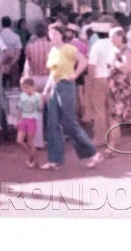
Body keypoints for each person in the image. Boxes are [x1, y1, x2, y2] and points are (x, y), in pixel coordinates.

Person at [40, 25, 103, 170]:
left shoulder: (69, 48)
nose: (53, 36)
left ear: (61, 35)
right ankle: (55, 159)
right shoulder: (52, 51)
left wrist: (74, 75)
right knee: (52, 123)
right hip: (55, 87)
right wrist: (46, 90)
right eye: (51, 33)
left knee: (69, 122)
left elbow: (83, 61)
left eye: (55, 33)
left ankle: (93, 153)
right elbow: (52, 73)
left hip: (66, 86)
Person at [104, 27, 131, 156]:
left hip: (125, 88)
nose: (111, 40)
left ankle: (112, 147)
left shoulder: (126, 51)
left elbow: (126, 69)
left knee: (117, 115)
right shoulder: (114, 50)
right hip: (115, 86)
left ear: (120, 37)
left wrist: (114, 62)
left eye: (113, 37)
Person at [86, 22, 117, 146]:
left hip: (99, 78)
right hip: (112, 78)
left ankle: (100, 138)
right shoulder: (113, 45)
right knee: (112, 108)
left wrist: (90, 81)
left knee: (99, 110)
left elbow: (91, 66)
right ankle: (114, 137)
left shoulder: (96, 46)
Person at [16, 77, 42, 168]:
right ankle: (31, 155)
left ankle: (35, 160)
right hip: (24, 119)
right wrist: (18, 120)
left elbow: (40, 109)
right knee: (19, 141)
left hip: (32, 120)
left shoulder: (37, 96)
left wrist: (40, 100)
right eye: (23, 87)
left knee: (30, 141)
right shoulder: (23, 95)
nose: (24, 89)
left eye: (26, 87)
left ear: (32, 87)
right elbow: (20, 108)